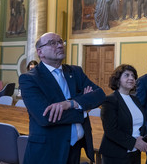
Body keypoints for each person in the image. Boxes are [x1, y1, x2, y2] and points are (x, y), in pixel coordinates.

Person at [19, 32, 105, 164]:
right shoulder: (30, 78)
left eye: (60, 42)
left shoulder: (75, 72)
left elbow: (100, 95)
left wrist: (71, 103)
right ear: (40, 52)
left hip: (74, 149)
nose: (59, 45)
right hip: (47, 151)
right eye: (53, 43)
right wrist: (83, 108)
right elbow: (45, 117)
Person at [99, 64, 147, 163]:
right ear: (118, 79)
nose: (131, 78)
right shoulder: (110, 100)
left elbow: (140, 123)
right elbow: (111, 131)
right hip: (116, 154)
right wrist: (135, 143)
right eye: (127, 75)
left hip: (134, 152)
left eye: (133, 76)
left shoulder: (135, 99)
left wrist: (145, 139)